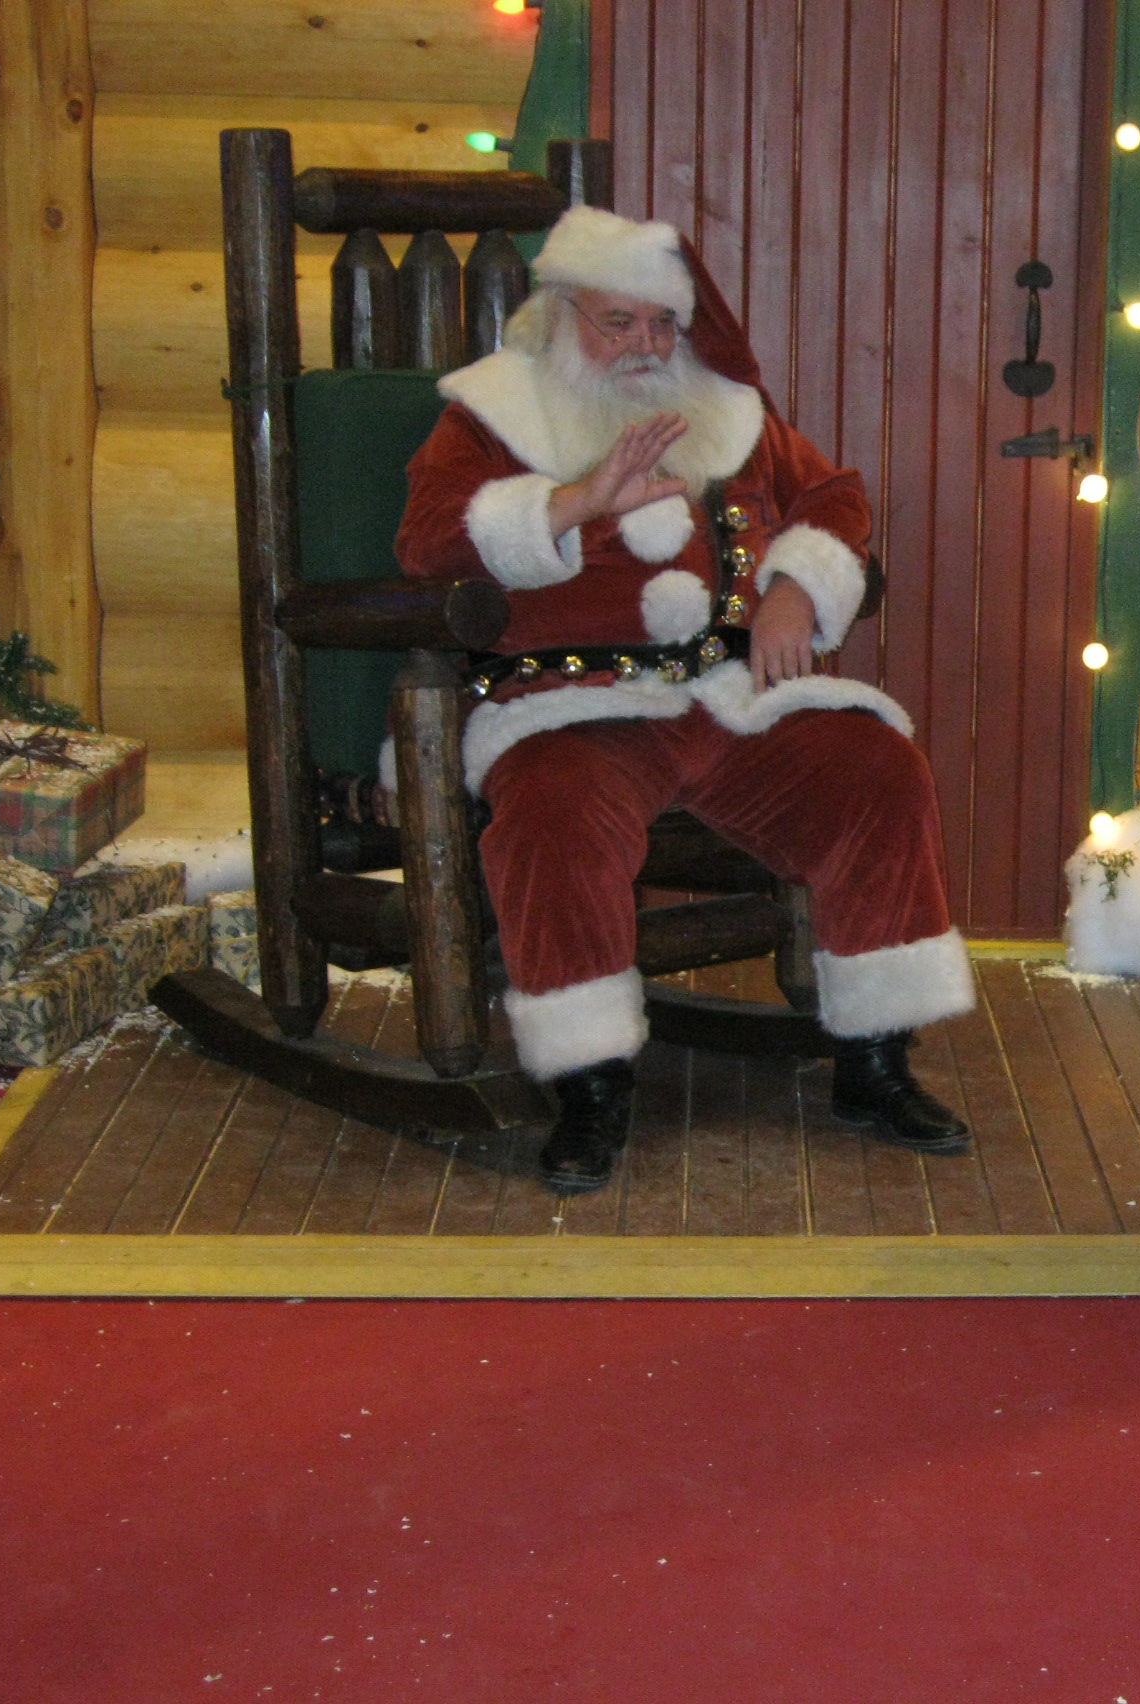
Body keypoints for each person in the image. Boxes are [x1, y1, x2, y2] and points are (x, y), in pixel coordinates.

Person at [396, 205, 976, 1193]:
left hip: (731, 694)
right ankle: (589, 1085)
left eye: (663, 322)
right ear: (562, 315)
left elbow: (833, 495)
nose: (646, 344)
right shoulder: (492, 413)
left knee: (876, 771)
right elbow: (425, 544)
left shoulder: (726, 410)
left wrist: (796, 588)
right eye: (619, 322)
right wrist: (575, 504)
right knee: (554, 812)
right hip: (573, 703)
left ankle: (875, 1059)